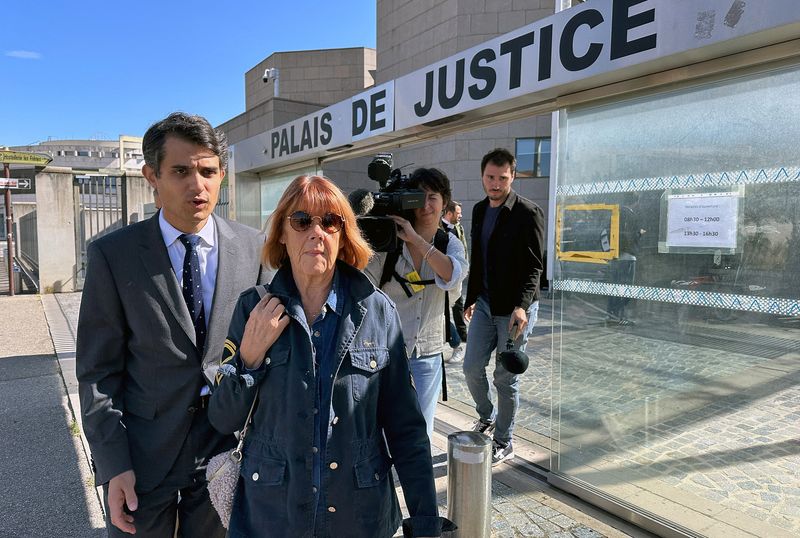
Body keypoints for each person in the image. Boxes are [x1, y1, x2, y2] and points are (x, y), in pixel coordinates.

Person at [208, 175, 448, 537]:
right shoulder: (252, 308)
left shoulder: (377, 311)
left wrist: (426, 523)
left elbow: (407, 429)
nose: (316, 232)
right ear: (282, 235)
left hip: (358, 517)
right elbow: (223, 418)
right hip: (273, 517)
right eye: (302, 221)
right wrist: (249, 359)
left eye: (330, 222)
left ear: (343, 235)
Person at [76, 112, 266, 537]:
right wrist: (113, 464)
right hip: (143, 453)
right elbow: (97, 371)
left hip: (225, 446)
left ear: (221, 175)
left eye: (207, 171)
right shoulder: (114, 255)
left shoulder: (253, 248)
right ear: (152, 176)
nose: (197, 185)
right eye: (180, 171)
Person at [364, 168, 468, 440]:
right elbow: (363, 285)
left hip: (428, 353)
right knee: (380, 426)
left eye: (432, 196)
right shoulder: (389, 240)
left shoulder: (449, 243)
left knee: (420, 431)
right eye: (418, 196)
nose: (425, 203)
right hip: (387, 352)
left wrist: (416, 240)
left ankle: (412, 482)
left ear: (444, 202)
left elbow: (452, 274)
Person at [463, 148, 545, 465]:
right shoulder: (480, 209)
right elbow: (479, 259)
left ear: (513, 176)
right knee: (471, 368)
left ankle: (503, 439)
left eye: (502, 178)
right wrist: (470, 299)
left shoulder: (528, 212)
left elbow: (535, 267)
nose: (495, 184)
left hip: (514, 310)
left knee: (505, 377)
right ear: (483, 176)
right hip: (485, 303)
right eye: (490, 177)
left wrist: (522, 306)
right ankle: (487, 415)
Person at [442, 200, 469, 364]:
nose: (460, 216)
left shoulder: (458, 228)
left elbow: (463, 249)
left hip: (455, 277)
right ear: (449, 213)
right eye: (458, 213)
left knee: (456, 308)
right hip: (440, 277)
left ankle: (460, 341)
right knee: (442, 314)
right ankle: (457, 342)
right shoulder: (437, 227)